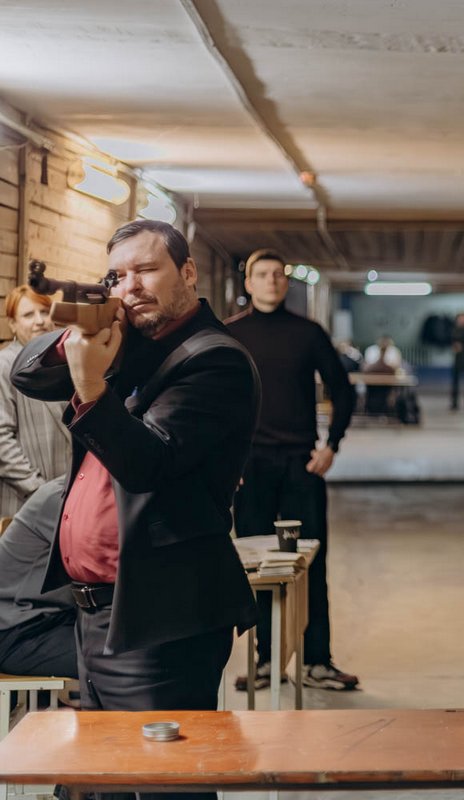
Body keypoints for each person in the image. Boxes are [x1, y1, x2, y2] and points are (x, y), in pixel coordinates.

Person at [12, 220, 259, 800]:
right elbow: (25, 373)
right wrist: (78, 328)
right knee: (102, 784)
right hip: (98, 616)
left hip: (161, 618)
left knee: (163, 785)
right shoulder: (129, 344)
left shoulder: (215, 360)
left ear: (188, 272)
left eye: (147, 270)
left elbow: (150, 463)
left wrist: (92, 387)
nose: (131, 287)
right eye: (117, 276)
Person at [225, 249, 359, 691]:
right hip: (251, 467)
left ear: (286, 282)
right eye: (262, 274)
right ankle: (266, 661)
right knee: (259, 568)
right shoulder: (230, 334)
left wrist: (331, 445)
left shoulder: (307, 333)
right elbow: (213, 401)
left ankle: (318, 661)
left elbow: (342, 390)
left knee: (311, 563)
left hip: (301, 465)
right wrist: (226, 459)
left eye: (278, 274)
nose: (272, 281)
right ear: (249, 283)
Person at [0, 286, 71, 519]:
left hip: (61, 497)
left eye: (44, 311)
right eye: (28, 315)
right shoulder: (5, 365)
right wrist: (39, 490)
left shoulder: (58, 363)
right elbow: (2, 441)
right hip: (25, 502)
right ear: (12, 324)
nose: (40, 321)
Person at [0, 477, 76, 679]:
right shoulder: (61, 498)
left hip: (55, 620)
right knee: (130, 659)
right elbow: (108, 566)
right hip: (18, 630)